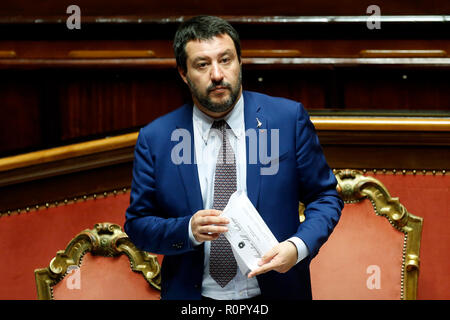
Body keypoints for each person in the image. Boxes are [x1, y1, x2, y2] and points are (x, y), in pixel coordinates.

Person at [124, 15, 343, 300]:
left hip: (276, 292)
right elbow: (138, 224)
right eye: (203, 64)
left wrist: (298, 246)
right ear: (183, 73)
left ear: (240, 62)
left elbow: (325, 197)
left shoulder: (287, 120)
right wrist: (186, 229)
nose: (217, 74)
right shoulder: (157, 138)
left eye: (225, 60)